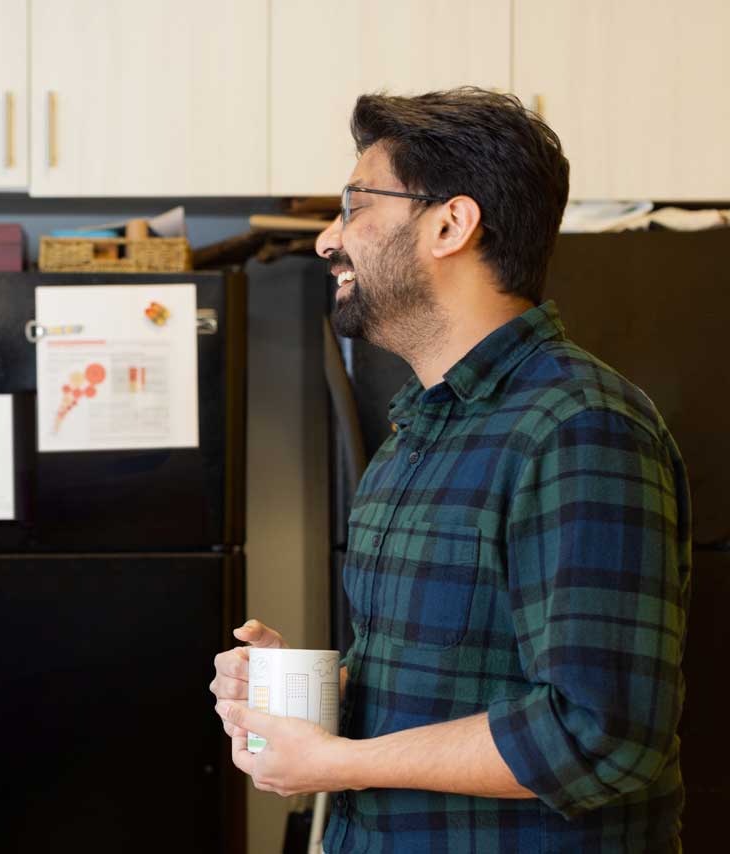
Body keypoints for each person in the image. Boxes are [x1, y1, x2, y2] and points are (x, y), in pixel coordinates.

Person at [211, 88, 689, 852]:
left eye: (355, 205)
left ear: (449, 224)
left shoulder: (580, 427)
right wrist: (312, 694)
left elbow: (599, 735)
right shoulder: (420, 426)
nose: (328, 239)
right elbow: (447, 684)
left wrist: (343, 762)